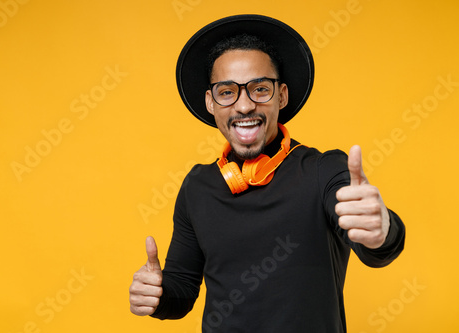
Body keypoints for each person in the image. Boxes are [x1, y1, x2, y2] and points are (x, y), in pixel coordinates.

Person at [129, 14, 405, 332]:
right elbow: (182, 291)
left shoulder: (324, 170)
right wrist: (157, 295)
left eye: (260, 89)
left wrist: (382, 230)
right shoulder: (197, 186)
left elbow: (374, 246)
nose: (244, 106)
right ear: (210, 102)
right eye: (227, 91)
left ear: (282, 96)